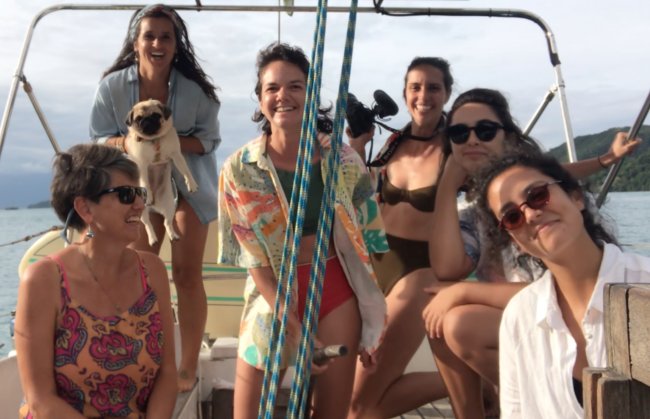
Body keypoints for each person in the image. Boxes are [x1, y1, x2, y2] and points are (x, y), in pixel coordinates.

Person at [424, 87, 640, 418]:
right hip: (534, 326)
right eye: (458, 133)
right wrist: (446, 186)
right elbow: (447, 266)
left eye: (484, 130)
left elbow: (558, 176)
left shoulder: (639, 281)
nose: (471, 140)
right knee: (441, 320)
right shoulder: (478, 220)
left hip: (587, 314)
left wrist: (464, 290)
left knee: (456, 320)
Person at [217, 43, 388, 419]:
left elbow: (370, 241)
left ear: (311, 95)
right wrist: (294, 327)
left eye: (296, 86)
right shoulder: (239, 169)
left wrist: (375, 323)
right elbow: (253, 260)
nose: (283, 96)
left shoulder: (344, 160)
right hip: (272, 295)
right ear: (260, 99)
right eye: (272, 88)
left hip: (337, 292)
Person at [89, 4, 221, 391]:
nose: (158, 43)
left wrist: (168, 142)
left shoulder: (197, 93)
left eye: (166, 36)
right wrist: (135, 142)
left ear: (176, 45)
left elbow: (210, 140)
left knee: (185, 273)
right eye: (150, 36)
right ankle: (142, 358)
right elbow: (98, 136)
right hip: (137, 186)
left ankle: (187, 365)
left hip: (187, 182)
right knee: (140, 272)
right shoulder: (112, 88)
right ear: (136, 43)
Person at [473, 152, 650, 418]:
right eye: (512, 216)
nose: (531, 214)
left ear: (576, 197)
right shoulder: (519, 317)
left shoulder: (644, 282)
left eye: (537, 195)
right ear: (515, 242)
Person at [15, 143, 176, 418]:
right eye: (126, 195)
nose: (140, 204)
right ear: (85, 208)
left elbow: (168, 374)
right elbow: (40, 400)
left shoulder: (152, 271)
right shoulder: (45, 280)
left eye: (140, 193)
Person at [346, 57, 450, 418]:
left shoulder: (458, 147)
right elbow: (359, 189)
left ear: (447, 93)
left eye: (433, 87)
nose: (424, 96)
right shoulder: (394, 141)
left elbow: (523, 171)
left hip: (418, 272)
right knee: (361, 406)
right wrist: (357, 143)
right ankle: (477, 385)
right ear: (405, 94)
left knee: (357, 405)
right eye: (415, 87)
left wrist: (601, 161)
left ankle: (478, 381)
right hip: (374, 268)